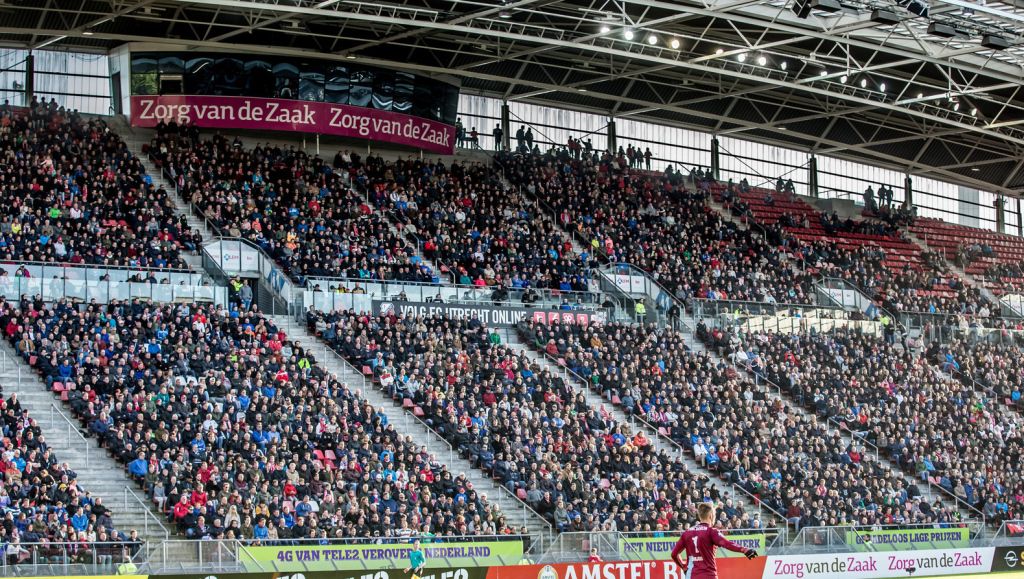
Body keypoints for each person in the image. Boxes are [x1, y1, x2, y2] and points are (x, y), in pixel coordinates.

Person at [670, 503, 757, 579]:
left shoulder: (687, 533)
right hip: (708, 575)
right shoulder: (711, 531)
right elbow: (727, 544)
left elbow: (674, 554)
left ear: (700, 516)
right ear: (711, 516)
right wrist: (744, 549)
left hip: (691, 575)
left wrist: (684, 567)